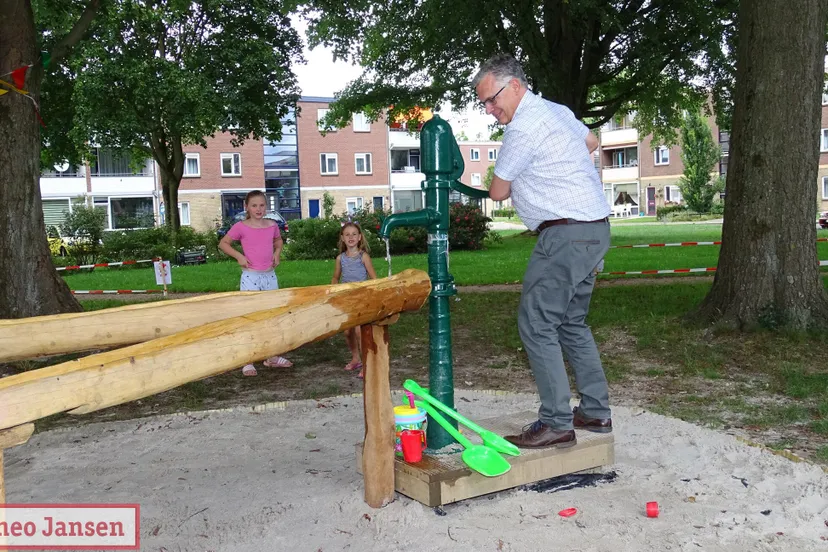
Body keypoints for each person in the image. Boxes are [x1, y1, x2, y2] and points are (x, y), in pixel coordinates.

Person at [472, 54, 613, 449]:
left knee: (536, 324)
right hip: (594, 229)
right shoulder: (556, 111)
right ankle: (595, 410)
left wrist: (527, 180)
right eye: (484, 103)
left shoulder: (522, 128)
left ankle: (556, 422)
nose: (489, 109)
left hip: (564, 234)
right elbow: (591, 142)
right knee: (571, 322)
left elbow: (497, 191)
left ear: (515, 85)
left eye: (492, 99)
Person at [219, 190, 294, 376]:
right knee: (251, 317)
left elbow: (278, 241)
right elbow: (223, 244)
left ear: (266, 206)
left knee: (272, 317)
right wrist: (239, 256)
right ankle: (248, 360)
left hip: (270, 277)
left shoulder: (272, 225)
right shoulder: (241, 227)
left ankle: (271, 356)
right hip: (251, 277)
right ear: (247, 207)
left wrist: (277, 253)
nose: (258, 209)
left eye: (262, 205)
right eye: (254, 205)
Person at [331, 222, 377, 378]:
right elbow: (336, 277)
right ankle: (356, 358)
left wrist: (374, 293)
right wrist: (333, 290)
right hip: (347, 298)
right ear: (342, 238)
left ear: (359, 237)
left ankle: (366, 363)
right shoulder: (340, 258)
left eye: (354, 234)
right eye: (347, 234)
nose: (351, 237)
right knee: (347, 331)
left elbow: (374, 278)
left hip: (361, 297)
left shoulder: (363, 257)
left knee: (359, 331)